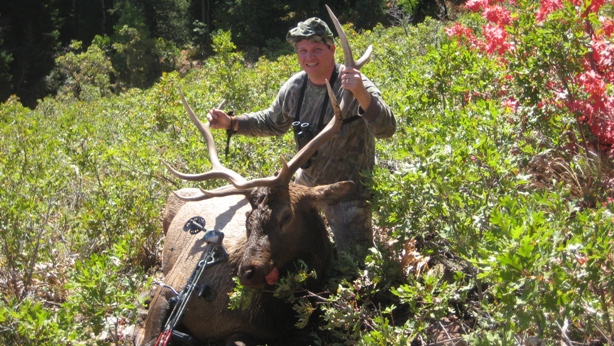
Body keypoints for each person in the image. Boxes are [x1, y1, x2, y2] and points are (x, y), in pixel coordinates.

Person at [207, 17, 396, 258]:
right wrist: (232, 123)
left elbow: (387, 129)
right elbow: (271, 122)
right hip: (305, 185)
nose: (309, 57)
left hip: (348, 193)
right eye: (302, 50)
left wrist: (361, 95)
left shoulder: (354, 83)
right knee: (281, 249)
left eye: (317, 49)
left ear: (332, 48)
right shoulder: (295, 87)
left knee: (355, 264)